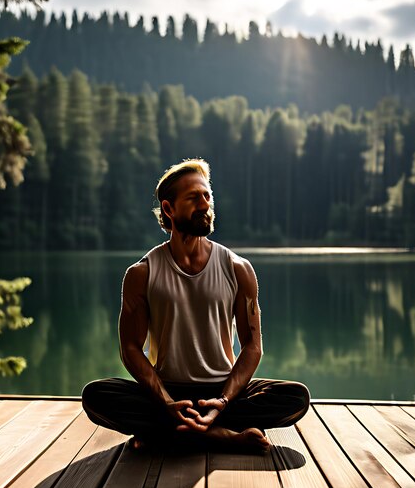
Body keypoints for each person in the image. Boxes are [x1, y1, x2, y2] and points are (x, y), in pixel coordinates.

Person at [82, 159, 310, 452]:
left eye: (207, 196)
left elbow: (253, 345)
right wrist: (166, 402)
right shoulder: (141, 274)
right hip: (167, 391)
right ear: (168, 209)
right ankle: (222, 436)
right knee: (96, 396)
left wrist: (223, 402)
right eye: (193, 198)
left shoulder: (238, 269)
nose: (205, 204)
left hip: (223, 392)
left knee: (295, 398)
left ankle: (164, 435)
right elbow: (130, 348)